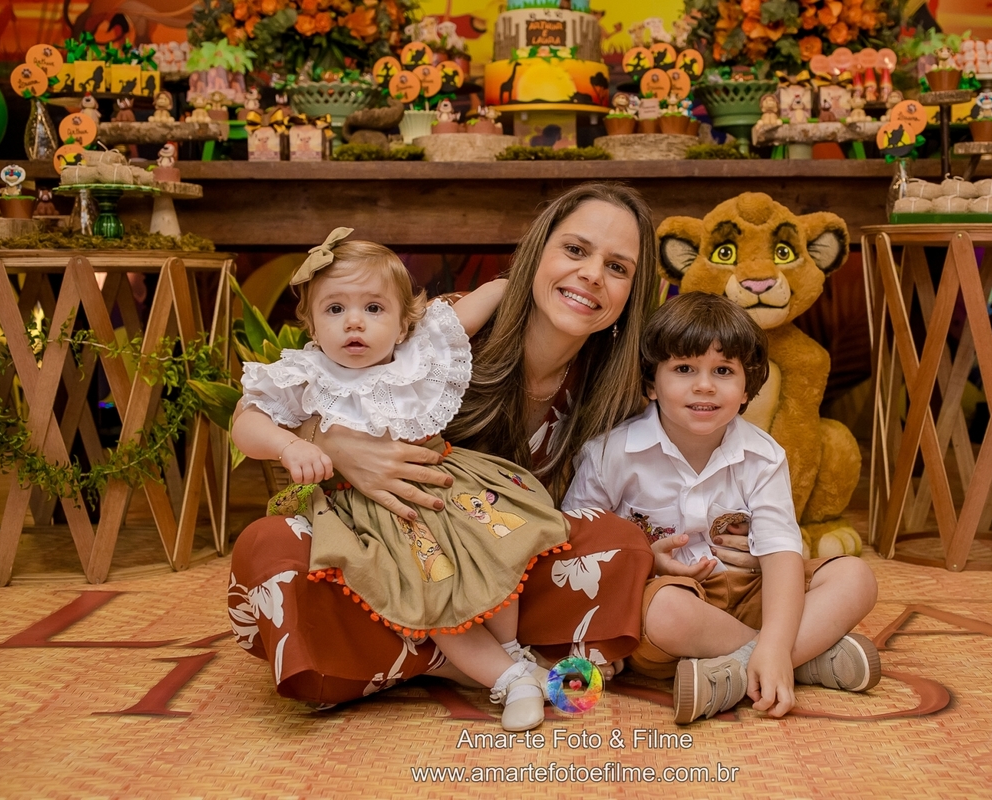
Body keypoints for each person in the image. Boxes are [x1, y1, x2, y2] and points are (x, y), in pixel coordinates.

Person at [228, 183, 660, 707]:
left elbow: (620, 496)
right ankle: (486, 659)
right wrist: (334, 446)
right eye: (574, 250)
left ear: (633, 291)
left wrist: (670, 548)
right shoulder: (443, 334)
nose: (592, 273)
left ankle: (437, 658)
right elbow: (261, 413)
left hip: (502, 562)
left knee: (623, 544)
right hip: (379, 545)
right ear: (535, 255)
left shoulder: (619, 386)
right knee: (269, 550)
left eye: (618, 268)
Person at [232, 229, 569, 730]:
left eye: (373, 309)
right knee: (432, 589)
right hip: (375, 511)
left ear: (403, 321)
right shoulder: (306, 374)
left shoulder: (420, 353)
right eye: (334, 309)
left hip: (447, 485)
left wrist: (530, 272)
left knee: (501, 550)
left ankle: (509, 653)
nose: (354, 322)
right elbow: (245, 422)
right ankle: (510, 680)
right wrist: (289, 444)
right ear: (309, 321)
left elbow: (477, 304)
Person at [562, 292, 880, 724]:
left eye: (724, 371)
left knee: (855, 576)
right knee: (664, 613)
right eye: (684, 369)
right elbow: (576, 546)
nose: (705, 385)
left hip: (751, 591)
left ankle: (736, 670)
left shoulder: (763, 456)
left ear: (747, 387)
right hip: (669, 602)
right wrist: (643, 564)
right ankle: (795, 659)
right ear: (651, 383)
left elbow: (782, 553)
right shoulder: (611, 453)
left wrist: (773, 639)